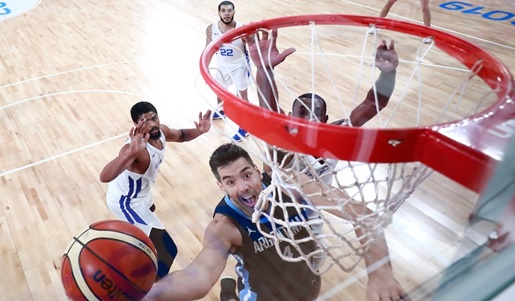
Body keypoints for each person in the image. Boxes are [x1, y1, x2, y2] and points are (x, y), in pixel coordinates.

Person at [142, 143, 408, 301]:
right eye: (231, 182)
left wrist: (381, 273)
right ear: (221, 186)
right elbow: (197, 277)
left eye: (247, 175)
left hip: (308, 288)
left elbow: (362, 214)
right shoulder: (225, 225)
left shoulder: (293, 189)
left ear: (259, 172)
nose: (244, 187)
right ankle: (230, 294)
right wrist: (145, 295)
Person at [246, 29, 399, 185]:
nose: (309, 117)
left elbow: (373, 104)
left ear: (325, 120)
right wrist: (264, 71)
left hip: (319, 202)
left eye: (316, 113)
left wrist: (388, 74)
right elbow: (270, 115)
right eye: (302, 112)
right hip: (278, 202)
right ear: (291, 117)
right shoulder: (284, 146)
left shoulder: (336, 137)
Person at [99, 101, 211, 279]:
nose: (152, 124)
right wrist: (129, 153)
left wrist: (200, 130)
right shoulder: (134, 150)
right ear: (137, 125)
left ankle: (137, 249)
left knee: (150, 215)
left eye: (154, 118)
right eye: (146, 121)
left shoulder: (162, 132)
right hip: (126, 202)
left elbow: (181, 135)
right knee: (166, 250)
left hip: (142, 194)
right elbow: (104, 176)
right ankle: (149, 292)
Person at [206, 0, 250, 141]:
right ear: (219, 13)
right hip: (222, 63)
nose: (226, 14)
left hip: (239, 64)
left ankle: (245, 127)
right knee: (219, 89)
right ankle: (221, 110)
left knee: (242, 96)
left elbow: (251, 45)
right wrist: (205, 68)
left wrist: (248, 39)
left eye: (229, 11)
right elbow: (207, 49)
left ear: (234, 12)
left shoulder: (242, 28)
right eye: (223, 11)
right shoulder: (211, 29)